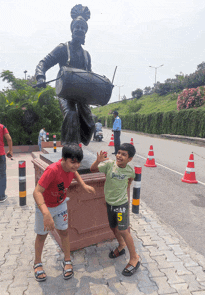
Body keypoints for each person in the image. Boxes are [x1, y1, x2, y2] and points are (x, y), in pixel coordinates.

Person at [33, 143, 95, 281]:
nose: (76, 165)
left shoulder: (71, 168)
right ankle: (37, 263)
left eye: (78, 162)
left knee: (64, 232)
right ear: (63, 159)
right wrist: (45, 213)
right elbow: (36, 192)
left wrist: (83, 185)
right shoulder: (52, 170)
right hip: (44, 206)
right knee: (42, 235)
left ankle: (67, 260)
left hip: (60, 204)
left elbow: (74, 172)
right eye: (72, 162)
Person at [35, 4, 95, 146]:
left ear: (85, 32)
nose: (80, 30)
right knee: (71, 115)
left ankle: (78, 142)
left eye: (83, 28)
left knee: (90, 123)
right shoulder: (63, 48)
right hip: (65, 92)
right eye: (77, 27)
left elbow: (90, 76)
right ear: (72, 29)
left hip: (81, 94)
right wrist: (40, 76)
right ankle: (69, 149)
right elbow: (43, 62)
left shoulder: (87, 55)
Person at [90, 143, 140, 276]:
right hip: (110, 203)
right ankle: (121, 245)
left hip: (121, 205)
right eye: (118, 152)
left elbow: (131, 179)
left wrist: (126, 187)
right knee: (113, 227)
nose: (119, 156)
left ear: (130, 159)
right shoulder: (109, 165)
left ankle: (134, 257)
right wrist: (98, 160)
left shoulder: (130, 170)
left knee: (123, 229)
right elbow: (93, 169)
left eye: (124, 154)